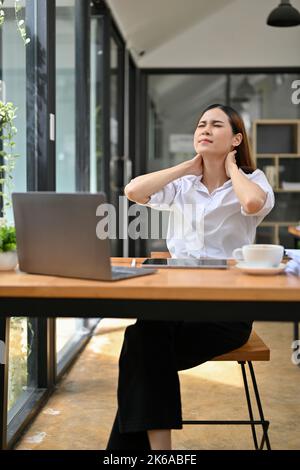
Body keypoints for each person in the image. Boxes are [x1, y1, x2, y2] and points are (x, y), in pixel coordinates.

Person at [106, 103, 275, 450]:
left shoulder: (252, 180)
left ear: (236, 138)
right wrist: (188, 166)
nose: (205, 130)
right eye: (201, 125)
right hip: (178, 299)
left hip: (227, 309)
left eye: (215, 125)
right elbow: (133, 191)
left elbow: (254, 204)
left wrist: (231, 167)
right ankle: (161, 454)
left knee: (141, 347)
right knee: (146, 340)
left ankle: (151, 454)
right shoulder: (182, 184)